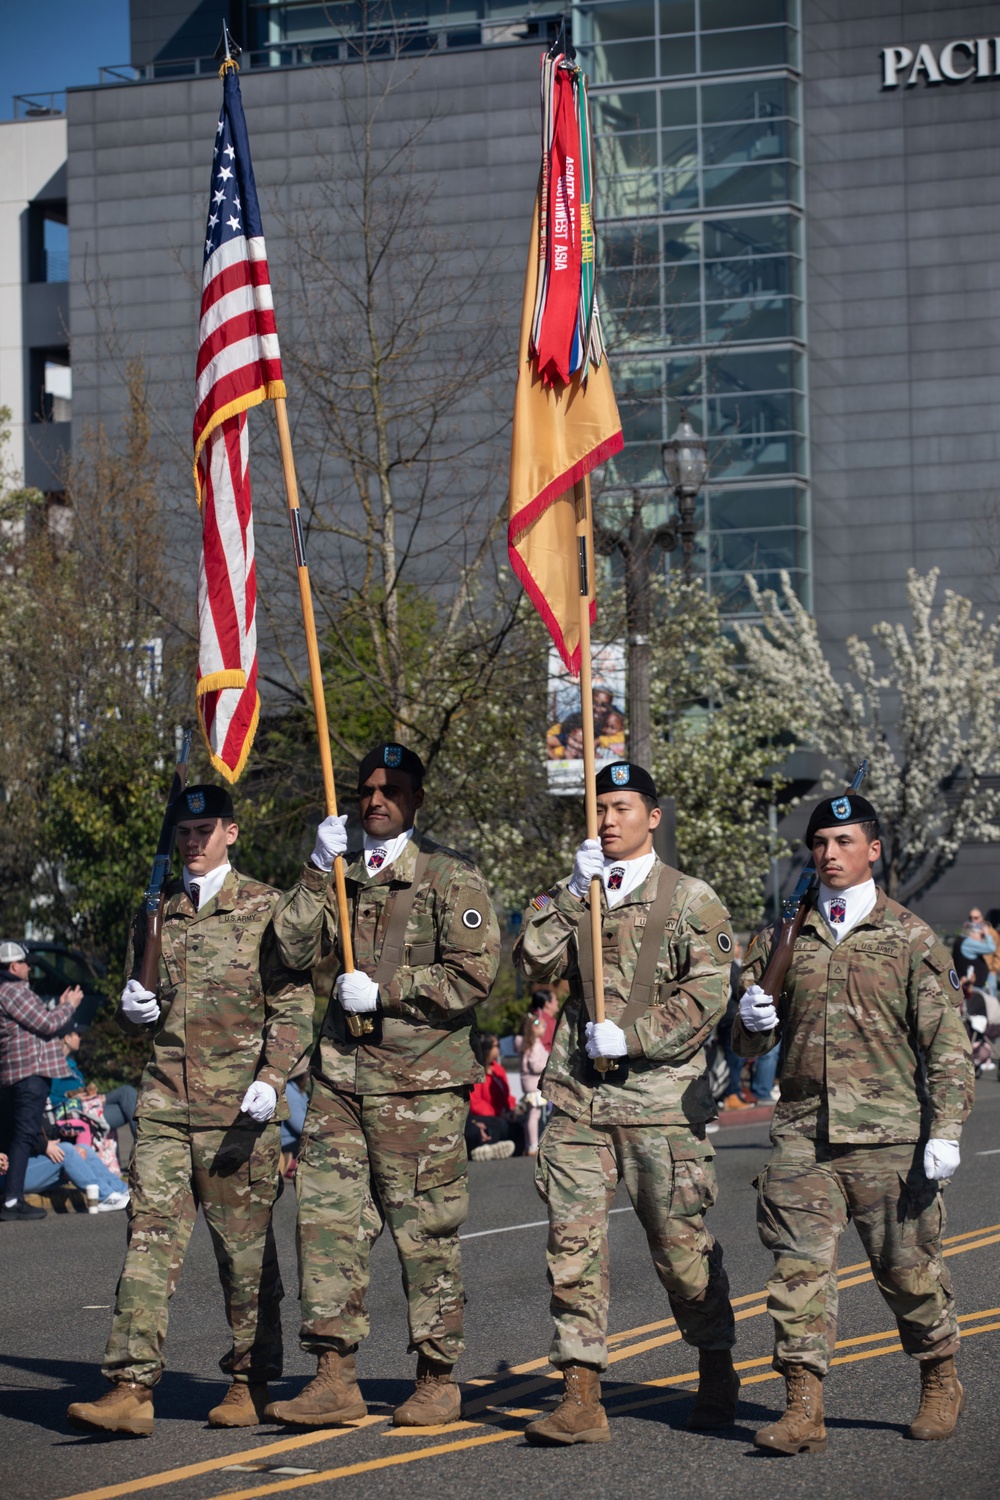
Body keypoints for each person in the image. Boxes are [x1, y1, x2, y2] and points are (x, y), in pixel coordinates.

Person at [66, 784, 314, 1437]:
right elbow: (140, 999)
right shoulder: (157, 910)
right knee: (148, 1239)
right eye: (184, 831)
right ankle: (130, 1384)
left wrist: (273, 1076)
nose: (193, 841)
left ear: (231, 832)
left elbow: (294, 1006)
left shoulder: (267, 907)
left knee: (243, 1254)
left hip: (239, 1107)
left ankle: (249, 1380)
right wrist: (131, 1007)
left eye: (205, 829)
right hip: (166, 1103)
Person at [266, 742, 500, 1431]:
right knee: (327, 1225)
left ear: (416, 800)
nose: (376, 799)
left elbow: (473, 975)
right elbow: (286, 949)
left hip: (418, 1089)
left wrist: (389, 991)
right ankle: (333, 1375)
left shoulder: (448, 879)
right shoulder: (336, 874)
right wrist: (314, 870)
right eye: (367, 788)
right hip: (340, 1080)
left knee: (424, 1233)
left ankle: (436, 1377)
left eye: (392, 789)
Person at [735, 791, 974, 1454]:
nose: (830, 854)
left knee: (907, 1271)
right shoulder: (784, 935)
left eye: (844, 842)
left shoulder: (910, 937)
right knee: (797, 1274)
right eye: (820, 844)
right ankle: (802, 1406)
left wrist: (946, 1129)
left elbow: (947, 1044)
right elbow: (748, 1044)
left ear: (873, 850)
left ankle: (939, 1376)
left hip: (888, 1138)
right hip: (802, 1135)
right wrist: (753, 1024)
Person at [515, 760, 739, 1446]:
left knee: (681, 1253)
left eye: (621, 807)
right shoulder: (577, 893)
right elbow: (530, 962)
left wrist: (637, 1036)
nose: (608, 821)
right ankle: (581, 1394)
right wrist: (567, 891)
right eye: (599, 810)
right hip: (581, 1098)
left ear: (652, 816)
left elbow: (708, 996)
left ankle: (715, 1363)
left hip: (661, 1104)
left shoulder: (691, 899)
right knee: (573, 1248)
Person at [0, 939, 83, 1222]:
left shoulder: (11, 993)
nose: (29, 969)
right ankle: (12, 1200)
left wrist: (58, 1007)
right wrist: (69, 1006)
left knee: (17, 1133)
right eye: (26, 964)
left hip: (20, 1073)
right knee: (24, 1135)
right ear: (14, 966)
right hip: (28, 1073)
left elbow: (40, 1021)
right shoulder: (14, 991)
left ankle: (9, 1196)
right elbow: (47, 1025)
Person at [49, 1027, 139, 1140]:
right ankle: (145, 1146)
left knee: (128, 1103)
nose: (81, 1038)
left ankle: (145, 1145)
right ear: (67, 1038)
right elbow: (48, 1099)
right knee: (127, 1095)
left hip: (87, 1107)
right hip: (75, 1112)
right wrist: (74, 1099)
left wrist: (87, 1095)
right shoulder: (56, 1066)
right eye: (78, 1034)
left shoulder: (72, 1066)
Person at [465, 1033, 523, 1160]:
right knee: (498, 1124)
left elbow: (507, 1095)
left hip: (500, 1113)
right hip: (483, 1115)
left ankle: (497, 1149)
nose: (499, 1049)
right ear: (487, 1049)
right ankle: (487, 1148)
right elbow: (475, 1102)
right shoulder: (475, 1071)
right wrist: (498, 1112)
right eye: (496, 1046)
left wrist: (511, 1108)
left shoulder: (498, 1069)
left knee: (519, 1126)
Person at [520, 988, 559, 1155]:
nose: (557, 1004)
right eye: (555, 1000)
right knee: (538, 1115)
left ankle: (534, 1143)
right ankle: (534, 1144)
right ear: (547, 1003)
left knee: (537, 1114)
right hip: (539, 1080)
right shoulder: (544, 1021)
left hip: (534, 1081)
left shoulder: (533, 1021)